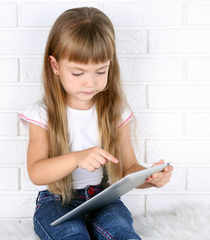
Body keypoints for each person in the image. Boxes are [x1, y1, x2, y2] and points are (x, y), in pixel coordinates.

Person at [19, 7, 173, 240]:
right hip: (56, 202)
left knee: (121, 233)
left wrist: (150, 178)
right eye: (78, 73)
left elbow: (127, 170)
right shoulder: (43, 115)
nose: (90, 83)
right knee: (71, 235)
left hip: (104, 198)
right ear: (55, 66)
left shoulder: (115, 113)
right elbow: (37, 172)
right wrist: (76, 158)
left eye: (100, 71)